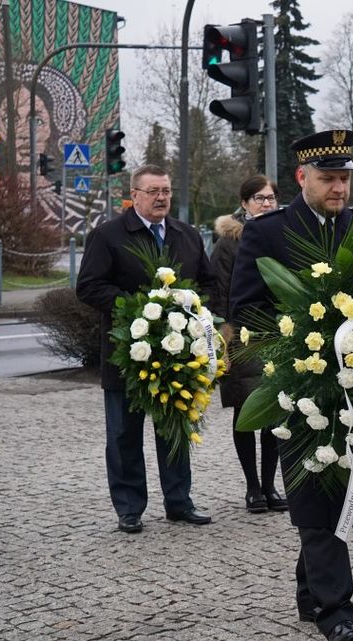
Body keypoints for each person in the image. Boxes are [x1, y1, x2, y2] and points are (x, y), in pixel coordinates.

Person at [230, 130, 353, 641]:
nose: (339, 188)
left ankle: (310, 588)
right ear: (303, 178)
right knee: (314, 492)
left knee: (338, 490)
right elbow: (246, 310)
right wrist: (303, 337)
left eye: (345, 178)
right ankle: (335, 611)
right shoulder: (268, 233)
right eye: (328, 179)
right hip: (300, 388)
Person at [76, 164, 216, 534]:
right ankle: (129, 507)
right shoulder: (108, 235)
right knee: (123, 433)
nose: (161, 198)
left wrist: (191, 306)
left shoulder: (186, 235)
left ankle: (179, 501)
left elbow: (208, 283)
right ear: (134, 195)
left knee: (174, 428)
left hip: (179, 352)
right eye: (153, 191)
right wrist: (136, 307)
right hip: (128, 352)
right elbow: (89, 286)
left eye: (166, 191)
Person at [208, 175, 287, 514]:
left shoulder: (283, 234)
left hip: (278, 335)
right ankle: (252, 487)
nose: (266, 203)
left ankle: (270, 485)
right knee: (246, 411)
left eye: (270, 198)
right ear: (244, 203)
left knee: (274, 413)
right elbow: (221, 294)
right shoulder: (229, 241)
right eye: (259, 198)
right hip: (241, 336)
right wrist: (222, 342)